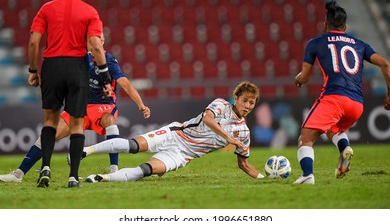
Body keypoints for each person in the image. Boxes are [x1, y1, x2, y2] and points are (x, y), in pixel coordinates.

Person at [0, 38, 151, 183]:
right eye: (93, 40)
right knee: (48, 135)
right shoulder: (78, 59)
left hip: (103, 106)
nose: (97, 43)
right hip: (80, 105)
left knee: (110, 121)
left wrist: (141, 104)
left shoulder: (108, 60)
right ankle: (19, 174)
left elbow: (124, 82)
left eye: (100, 40)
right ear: (88, 42)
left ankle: (114, 169)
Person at [82, 81, 266, 183]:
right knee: (133, 146)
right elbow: (208, 119)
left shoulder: (243, 132)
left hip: (182, 155)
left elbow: (244, 164)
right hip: (175, 134)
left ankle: (101, 178)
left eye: (252, 103)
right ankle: (86, 151)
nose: (248, 106)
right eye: (245, 100)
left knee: (146, 170)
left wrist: (264, 178)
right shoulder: (221, 104)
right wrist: (228, 138)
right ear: (236, 98)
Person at [28, 0, 112, 188]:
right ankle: (73, 177)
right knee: (76, 123)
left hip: (52, 66)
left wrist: (33, 70)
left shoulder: (46, 8)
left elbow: (34, 42)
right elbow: (95, 46)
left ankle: (45, 167)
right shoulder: (90, 12)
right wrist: (104, 77)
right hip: (77, 67)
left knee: (49, 120)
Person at [293, 1, 390, 185]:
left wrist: (298, 78)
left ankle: (307, 176)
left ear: (325, 24)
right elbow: (385, 64)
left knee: (305, 138)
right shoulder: (359, 44)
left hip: (333, 98)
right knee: (333, 128)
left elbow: (304, 77)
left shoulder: (316, 43)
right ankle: (344, 148)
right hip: (356, 104)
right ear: (345, 27)